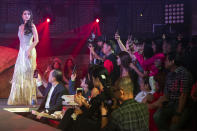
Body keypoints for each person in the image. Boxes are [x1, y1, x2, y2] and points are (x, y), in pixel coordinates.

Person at [154, 52, 193, 130]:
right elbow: (167, 94)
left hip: (182, 106)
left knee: (173, 128)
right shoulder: (169, 74)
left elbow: (183, 95)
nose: (164, 62)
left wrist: (178, 114)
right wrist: (160, 102)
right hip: (171, 104)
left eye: (166, 60)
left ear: (172, 61)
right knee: (156, 116)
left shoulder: (184, 73)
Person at [8, 9, 39, 105]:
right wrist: (21, 52)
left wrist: (28, 50)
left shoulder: (32, 26)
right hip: (21, 52)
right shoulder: (20, 27)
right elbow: (21, 41)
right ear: (22, 16)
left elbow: (36, 40)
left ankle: (31, 98)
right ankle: (19, 99)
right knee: (20, 74)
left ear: (30, 16)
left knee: (29, 73)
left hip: (29, 50)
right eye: (25, 14)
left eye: (29, 14)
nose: (27, 15)